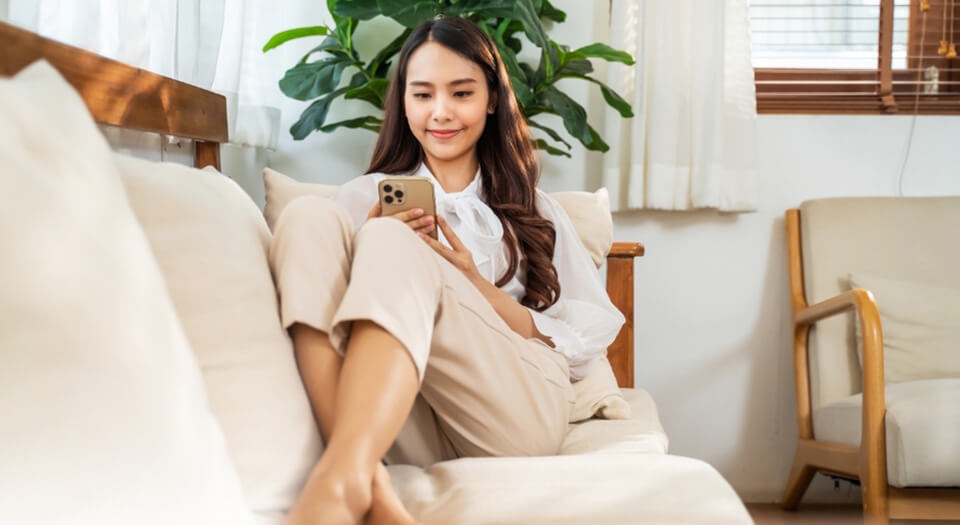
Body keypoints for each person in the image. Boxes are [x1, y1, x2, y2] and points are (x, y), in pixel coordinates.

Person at [269, 15, 625, 525]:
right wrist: (370, 252)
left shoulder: (536, 211)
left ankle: (343, 479)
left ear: (492, 99)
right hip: (403, 414)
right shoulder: (361, 200)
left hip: (510, 410)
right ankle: (361, 480)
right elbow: (328, 314)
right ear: (404, 102)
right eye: (423, 95)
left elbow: (582, 336)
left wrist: (471, 284)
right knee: (307, 217)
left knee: (392, 238)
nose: (440, 113)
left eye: (461, 93)